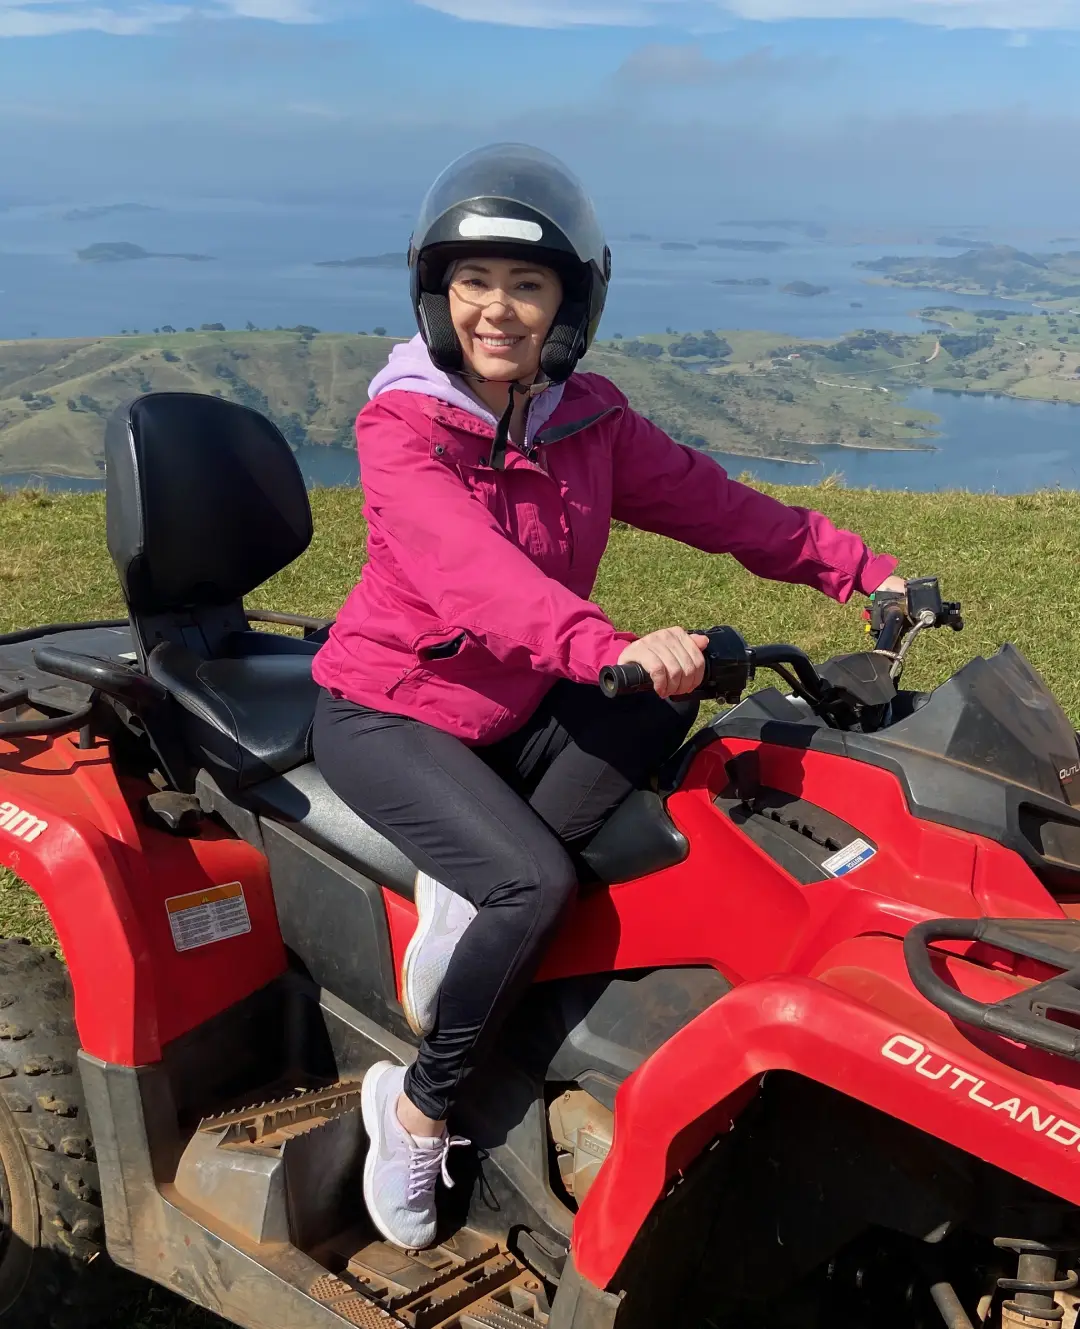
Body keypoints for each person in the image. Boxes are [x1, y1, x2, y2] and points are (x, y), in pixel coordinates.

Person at [311, 142, 904, 1252]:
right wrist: (600, 645)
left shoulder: (585, 419)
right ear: (436, 293)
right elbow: (466, 572)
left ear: (567, 305)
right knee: (531, 884)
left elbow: (715, 504)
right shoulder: (401, 429)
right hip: (391, 710)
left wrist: (858, 568)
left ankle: (464, 883)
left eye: (526, 285)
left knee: (678, 709)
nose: (496, 309)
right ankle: (416, 1108)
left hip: (513, 710)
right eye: (473, 281)